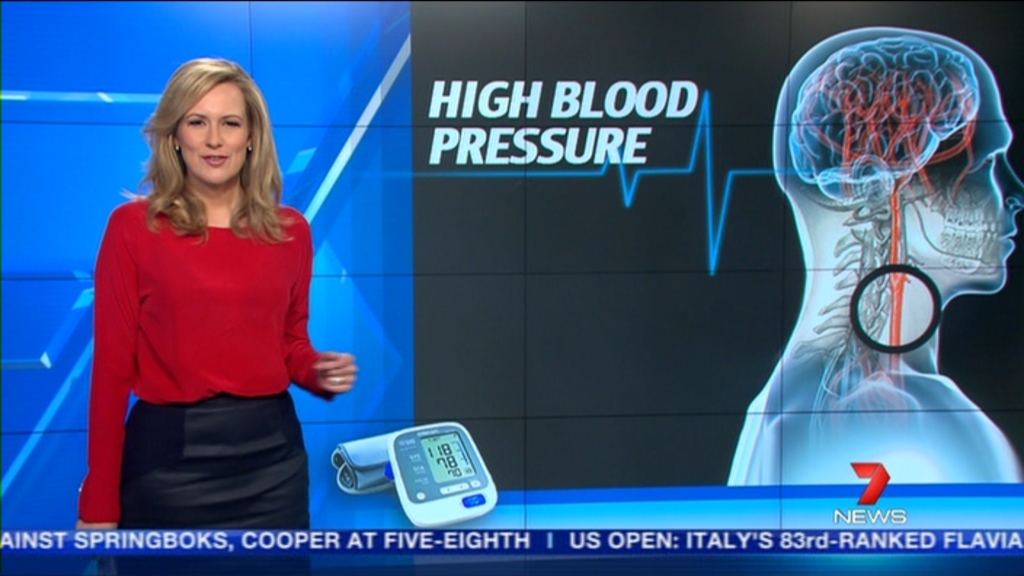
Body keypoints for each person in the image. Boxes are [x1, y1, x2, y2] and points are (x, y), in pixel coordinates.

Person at [729, 27, 1023, 486]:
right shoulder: (928, 420)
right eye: (985, 165)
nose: (1016, 193)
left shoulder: (774, 412)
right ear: (886, 186)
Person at [76, 57, 359, 531]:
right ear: (175, 136)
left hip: (272, 467)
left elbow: (289, 344)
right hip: (168, 467)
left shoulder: (291, 232)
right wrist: (99, 504)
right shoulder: (133, 229)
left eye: (229, 123)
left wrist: (315, 371)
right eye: (197, 122)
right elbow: (111, 372)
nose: (214, 139)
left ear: (251, 137)